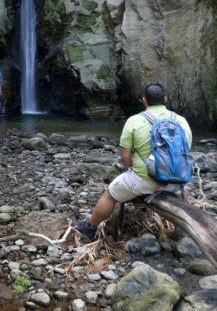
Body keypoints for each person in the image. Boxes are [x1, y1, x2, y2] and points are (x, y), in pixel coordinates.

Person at [73, 82, 192, 241]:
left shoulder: (134, 121)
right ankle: (181, 231)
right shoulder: (181, 121)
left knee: (110, 194)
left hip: (144, 181)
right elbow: (186, 151)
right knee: (185, 191)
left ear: (144, 100)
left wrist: (130, 169)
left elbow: (124, 157)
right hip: (175, 180)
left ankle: (89, 227)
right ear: (165, 98)